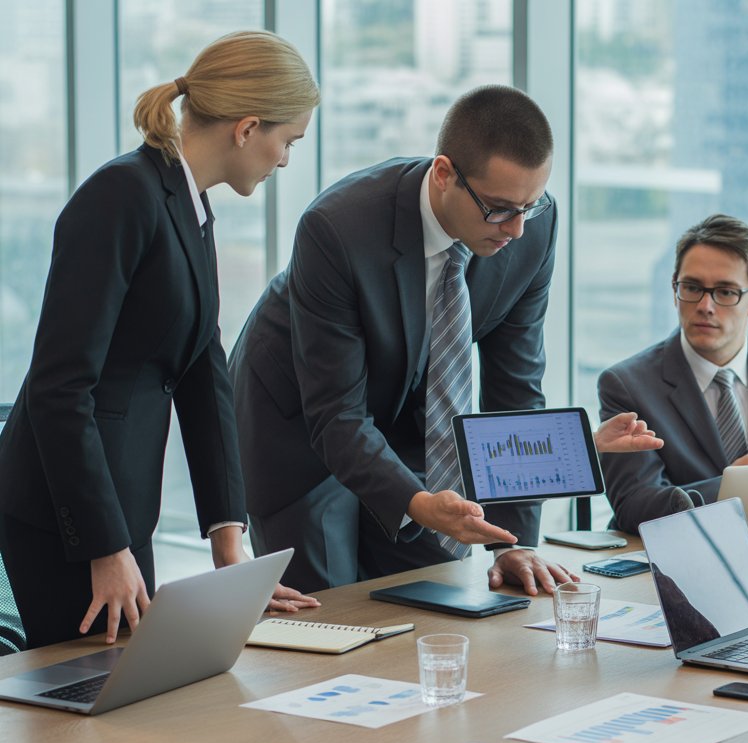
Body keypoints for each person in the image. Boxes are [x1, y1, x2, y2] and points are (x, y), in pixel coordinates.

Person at [230, 85, 658, 596]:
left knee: (431, 590)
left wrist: (511, 540)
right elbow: (337, 415)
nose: (517, 229)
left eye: (531, 205)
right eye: (499, 209)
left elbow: (515, 389)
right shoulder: (338, 226)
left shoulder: (530, 230)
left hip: (411, 420)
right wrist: (416, 501)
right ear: (443, 174)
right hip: (300, 422)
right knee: (331, 611)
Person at [0, 31, 321, 649]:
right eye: (288, 141)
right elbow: (59, 387)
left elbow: (203, 371)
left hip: (123, 511)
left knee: (133, 699)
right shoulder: (121, 196)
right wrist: (104, 546)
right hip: (68, 520)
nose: (284, 160)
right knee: (90, 715)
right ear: (247, 127)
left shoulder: (189, 205)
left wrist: (231, 544)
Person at [597, 214, 748, 533]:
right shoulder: (627, 384)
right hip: (681, 561)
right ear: (674, 290)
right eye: (692, 287)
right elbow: (632, 507)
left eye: (725, 292)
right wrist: (729, 487)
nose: (705, 305)